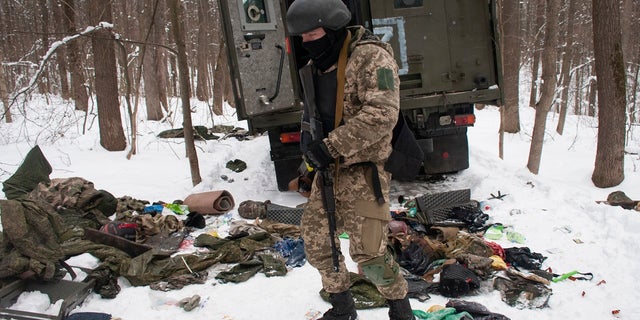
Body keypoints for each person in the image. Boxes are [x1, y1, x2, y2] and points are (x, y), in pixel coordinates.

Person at [286, 1, 415, 319]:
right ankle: (343, 306)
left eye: (312, 33)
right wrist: (312, 154)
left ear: (332, 27)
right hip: (329, 171)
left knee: (369, 254)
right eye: (302, 36)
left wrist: (330, 146)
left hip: (362, 169)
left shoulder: (371, 57)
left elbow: (382, 115)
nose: (307, 42)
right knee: (317, 241)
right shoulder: (320, 64)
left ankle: (400, 307)